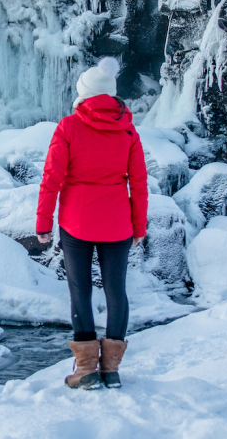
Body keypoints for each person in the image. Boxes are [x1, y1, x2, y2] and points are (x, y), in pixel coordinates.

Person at [35, 57, 148, 390]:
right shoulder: (128, 129)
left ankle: (85, 371)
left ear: (83, 93)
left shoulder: (69, 126)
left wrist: (43, 222)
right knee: (116, 291)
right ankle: (111, 370)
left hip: (77, 222)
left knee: (80, 290)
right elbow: (139, 183)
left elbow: (51, 178)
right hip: (117, 223)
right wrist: (139, 227)